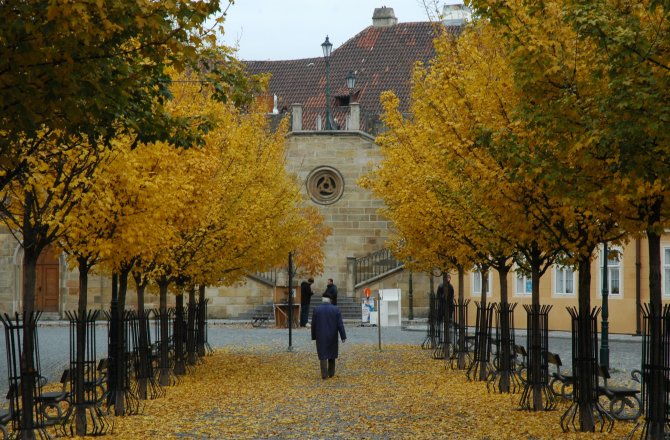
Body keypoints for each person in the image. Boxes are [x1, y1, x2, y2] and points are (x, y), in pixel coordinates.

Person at [311, 294, 346, 379]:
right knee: (332, 353)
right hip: (332, 334)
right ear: (330, 300)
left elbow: (313, 324)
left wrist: (314, 336)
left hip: (321, 335)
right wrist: (343, 336)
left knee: (323, 355)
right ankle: (331, 372)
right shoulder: (335, 309)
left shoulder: (317, 309)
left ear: (322, 300)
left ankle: (324, 374)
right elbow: (340, 324)